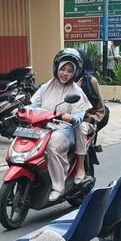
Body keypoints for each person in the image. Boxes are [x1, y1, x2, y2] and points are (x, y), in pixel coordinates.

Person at [29, 49, 91, 201]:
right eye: (63, 69)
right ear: (57, 69)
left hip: (65, 130)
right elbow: (32, 105)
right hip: (44, 127)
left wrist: (71, 117)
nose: (65, 73)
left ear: (74, 73)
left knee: (53, 145)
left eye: (70, 71)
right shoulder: (45, 87)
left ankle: (58, 187)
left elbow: (79, 115)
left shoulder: (76, 91)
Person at [78, 50, 109, 136]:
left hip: (85, 118)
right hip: (62, 119)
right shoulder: (61, 80)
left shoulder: (90, 81)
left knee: (80, 130)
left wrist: (90, 118)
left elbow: (100, 109)